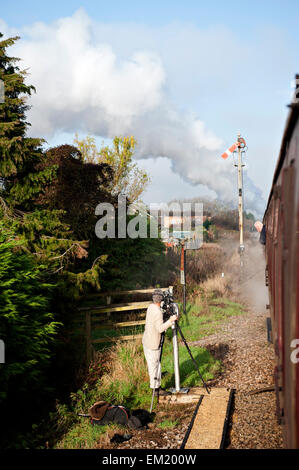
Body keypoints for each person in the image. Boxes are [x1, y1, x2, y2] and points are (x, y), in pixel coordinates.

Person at [142, 289, 177, 396]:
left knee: (154, 365)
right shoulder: (157, 312)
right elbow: (160, 328)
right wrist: (171, 320)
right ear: (161, 300)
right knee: (154, 366)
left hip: (147, 340)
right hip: (153, 344)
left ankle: (156, 385)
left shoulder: (151, 307)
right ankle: (156, 390)